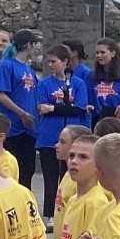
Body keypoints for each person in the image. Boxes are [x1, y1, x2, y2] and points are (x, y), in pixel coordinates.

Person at [34, 44, 91, 218]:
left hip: (72, 137)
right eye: (48, 61)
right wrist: (59, 108)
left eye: (54, 61)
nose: (50, 65)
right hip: (49, 136)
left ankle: (69, 210)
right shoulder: (44, 84)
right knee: (50, 178)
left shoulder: (77, 83)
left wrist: (54, 108)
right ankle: (51, 213)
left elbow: (80, 108)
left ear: (65, 61)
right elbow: (42, 108)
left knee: (68, 176)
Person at [0, 29, 41, 189]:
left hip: (28, 128)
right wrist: (21, 113)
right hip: (13, 126)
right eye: (35, 45)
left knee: (27, 171)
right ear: (29, 45)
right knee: (12, 170)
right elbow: (0, 94)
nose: (35, 50)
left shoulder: (29, 70)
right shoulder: (7, 64)